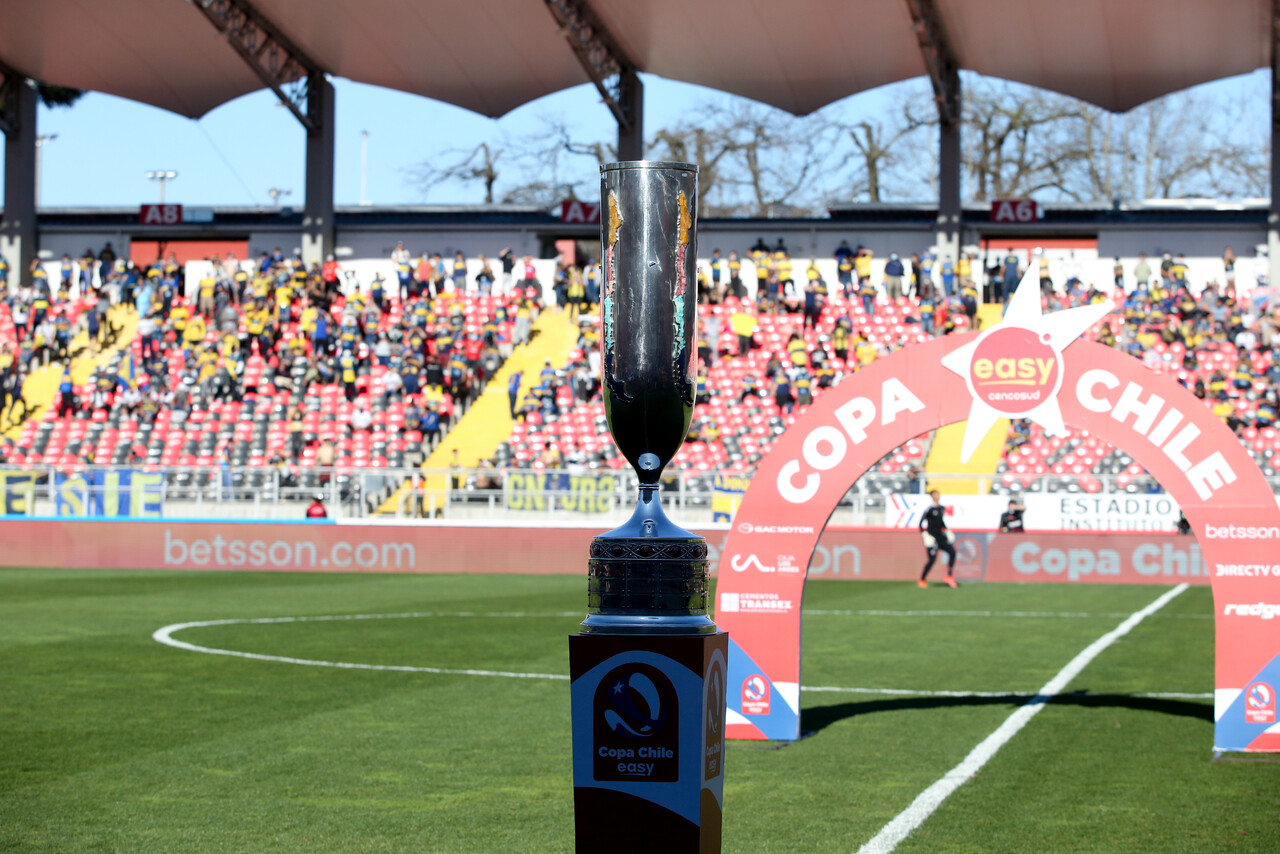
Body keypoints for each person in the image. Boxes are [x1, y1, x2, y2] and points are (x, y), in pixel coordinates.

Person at [918, 489, 957, 588]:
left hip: (941, 536)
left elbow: (941, 521)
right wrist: (925, 534)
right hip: (932, 537)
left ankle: (949, 576)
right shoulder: (929, 509)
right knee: (932, 560)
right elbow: (920, 523)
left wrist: (947, 530)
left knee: (952, 552)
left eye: (938, 494)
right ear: (931, 496)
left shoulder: (942, 508)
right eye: (935, 494)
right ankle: (922, 579)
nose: (937, 496)